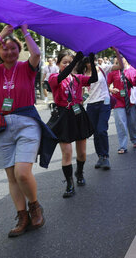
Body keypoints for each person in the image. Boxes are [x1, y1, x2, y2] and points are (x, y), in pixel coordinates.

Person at [0, 24, 55, 236]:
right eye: (5, 48)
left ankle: (35, 206)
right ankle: (22, 216)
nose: (9, 52)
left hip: (27, 121)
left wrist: (25, 31)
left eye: (13, 48)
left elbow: (37, 53)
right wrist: (1, 34)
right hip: (2, 124)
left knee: (22, 172)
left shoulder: (26, 68)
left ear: (19, 51)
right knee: (11, 175)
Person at [48, 50, 97, 198]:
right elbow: (63, 75)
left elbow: (93, 78)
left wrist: (92, 62)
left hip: (78, 114)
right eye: (65, 62)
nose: (68, 65)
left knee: (82, 153)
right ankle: (70, 184)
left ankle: (79, 172)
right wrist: (76, 60)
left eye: (70, 62)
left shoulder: (77, 78)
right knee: (67, 153)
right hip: (63, 116)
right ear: (58, 64)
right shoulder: (54, 77)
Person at [80, 55, 114, 170]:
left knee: (101, 130)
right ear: (85, 64)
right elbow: (84, 92)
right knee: (95, 132)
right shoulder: (83, 75)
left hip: (104, 103)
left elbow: (120, 66)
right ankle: (100, 157)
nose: (92, 63)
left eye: (93, 60)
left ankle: (105, 156)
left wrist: (117, 53)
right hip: (91, 105)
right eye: (89, 62)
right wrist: (80, 101)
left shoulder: (102, 68)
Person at [107, 48, 136, 154]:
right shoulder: (113, 72)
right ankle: (122, 145)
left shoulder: (134, 70)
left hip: (131, 100)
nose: (121, 59)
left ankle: (135, 139)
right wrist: (111, 89)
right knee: (121, 123)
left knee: (133, 122)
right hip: (118, 101)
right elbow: (106, 85)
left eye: (122, 57)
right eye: (119, 57)